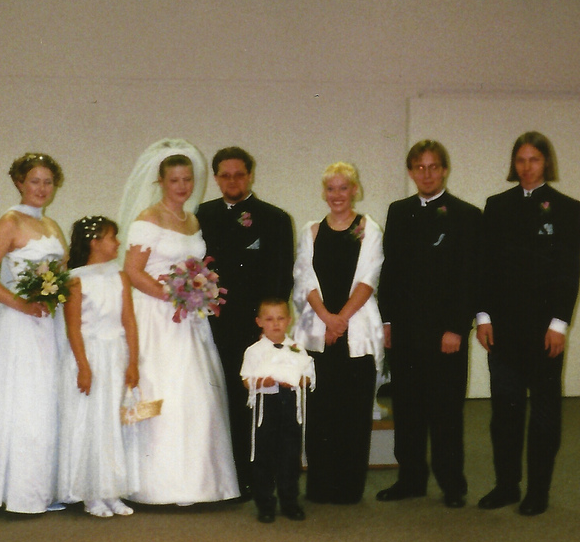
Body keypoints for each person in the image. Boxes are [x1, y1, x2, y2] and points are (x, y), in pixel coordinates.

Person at [118, 138, 240, 505]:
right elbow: (132, 271)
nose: (183, 186)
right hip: (157, 315)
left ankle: (199, 484)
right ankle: (154, 485)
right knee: (162, 391)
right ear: (161, 182)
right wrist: (172, 295)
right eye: (175, 180)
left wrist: (197, 291)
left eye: (187, 179)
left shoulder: (192, 219)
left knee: (196, 394)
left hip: (189, 318)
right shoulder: (148, 219)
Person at [476, 131, 580, 516]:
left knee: (543, 415)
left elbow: (569, 271)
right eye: (520, 160)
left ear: (545, 163)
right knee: (504, 414)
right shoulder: (496, 206)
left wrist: (559, 324)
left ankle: (538, 491)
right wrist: (483, 316)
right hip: (502, 330)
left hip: (544, 331)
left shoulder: (567, 209)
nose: (526, 167)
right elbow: (484, 266)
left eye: (534, 159)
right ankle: (506, 486)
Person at [375, 140, 482, 509]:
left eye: (433, 166)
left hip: (445, 334)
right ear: (410, 172)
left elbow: (469, 277)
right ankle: (411, 479)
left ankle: (452, 483)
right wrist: (387, 320)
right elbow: (390, 271)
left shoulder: (466, 215)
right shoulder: (399, 211)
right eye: (419, 167)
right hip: (405, 331)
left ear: (445, 170)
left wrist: (457, 327)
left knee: (445, 412)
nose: (427, 174)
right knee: (407, 410)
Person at [196, 147, 294, 500]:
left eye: (239, 174)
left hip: (255, 328)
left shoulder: (274, 218)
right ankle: (228, 476)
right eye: (225, 175)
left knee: (255, 403)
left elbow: (281, 277)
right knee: (218, 400)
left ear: (250, 175)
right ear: (216, 177)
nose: (232, 181)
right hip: (211, 325)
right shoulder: (201, 215)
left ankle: (257, 476)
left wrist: (268, 327)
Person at [0, 153, 69, 514]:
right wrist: (20, 303)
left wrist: (54, 295)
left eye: (48, 182)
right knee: (24, 398)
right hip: (20, 321)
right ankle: (18, 490)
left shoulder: (52, 226)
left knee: (46, 397)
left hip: (48, 321)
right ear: (19, 183)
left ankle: (41, 487)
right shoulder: (10, 221)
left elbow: (62, 273)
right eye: (35, 181)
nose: (42, 189)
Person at [292, 162, 384, 505]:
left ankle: (348, 488)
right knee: (320, 413)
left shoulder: (368, 228)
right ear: (323, 193)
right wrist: (327, 319)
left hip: (355, 333)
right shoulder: (311, 231)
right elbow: (304, 278)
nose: (337, 195)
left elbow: (368, 278)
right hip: (319, 333)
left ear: (355, 190)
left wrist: (340, 319)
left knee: (353, 414)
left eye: (343, 188)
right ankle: (320, 486)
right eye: (331, 189)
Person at [60, 216, 140, 518]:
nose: (117, 243)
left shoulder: (120, 276)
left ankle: (112, 490)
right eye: (112, 237)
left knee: (112, 423)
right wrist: (83, 366)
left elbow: (128, 320)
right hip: (90, 355)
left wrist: (133, 361)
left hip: (115, 354)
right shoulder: (75, 279)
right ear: (94, 243)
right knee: (91, 422)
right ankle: (91, 493)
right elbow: (73, 327)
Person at [240, 297, 314, 523]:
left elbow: (308, 378)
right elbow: (246, 380)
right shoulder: (254, 351)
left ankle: (290, 501)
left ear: (289, 321)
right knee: (264, 455)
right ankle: (265, 503)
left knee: (290, 454)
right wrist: (264, 381)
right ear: (259, 322)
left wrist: (296, 381)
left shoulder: (297, 349)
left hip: (290, 405)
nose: (275, 324)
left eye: (280, 318)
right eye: (270, 319)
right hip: (267, 407)